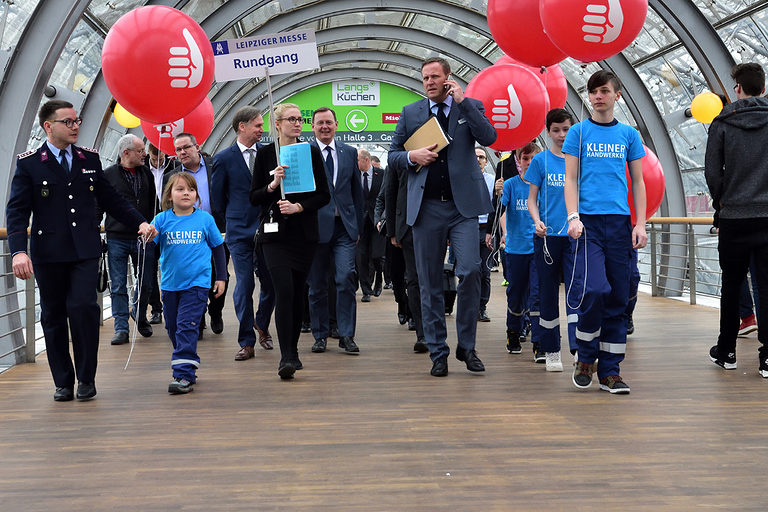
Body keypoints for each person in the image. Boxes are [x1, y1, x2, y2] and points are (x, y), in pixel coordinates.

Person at [6, 99, 155, 402]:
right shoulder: (30, 163)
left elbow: (111, 199)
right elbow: (17, 212)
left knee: (85, 310)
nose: (75, 126)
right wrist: (18, 252)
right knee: (53, 315)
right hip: (49, 254)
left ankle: (86, 378)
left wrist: (140, 222)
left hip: (85, 250)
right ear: (49, 127)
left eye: (77, 121)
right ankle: (63, 381)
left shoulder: (89, 159)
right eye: (68, 122)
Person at [388, 56, 496, 377]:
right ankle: (438, 351)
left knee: (472, 270)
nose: (430, 82)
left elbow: (489, 138)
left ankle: (467, 345)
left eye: (435, 76)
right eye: (425, 78)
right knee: (429, 280)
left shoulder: (469, 106)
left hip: (463, 208)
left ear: (449, 79)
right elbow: (393, 155)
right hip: (426, 208)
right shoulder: (411, 113)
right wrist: (412, 155)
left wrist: (464, 103)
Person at [564, 70, 647, 394]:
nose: (597, 96)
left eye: (603, 91)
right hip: (588, 224)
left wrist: (639, 223)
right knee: (595, 289)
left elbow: (638, 181)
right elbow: (570, 179)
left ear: (617, 95)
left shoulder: (629, 135)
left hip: (619, 223)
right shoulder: (578, 133)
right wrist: (573, 217)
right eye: (592, 92)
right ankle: (585, 357)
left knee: (617, 295)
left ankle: (610, 371)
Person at [249, 103, 330, 379]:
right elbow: (254, 197)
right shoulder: (265, 155)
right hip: (274, 236)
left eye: (300, 119)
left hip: (304, 233)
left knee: (297, 293)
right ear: (278, 123)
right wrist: (272, 185)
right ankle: (286, 356)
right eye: (291, 119)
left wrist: (299, 207)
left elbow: (323, 195)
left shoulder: (310, 151)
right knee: (283, 290)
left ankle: (293, 349)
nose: (297, 123)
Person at [705, 62, 768, 376]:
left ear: (737, 90)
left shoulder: (722, 123)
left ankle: (727, 350)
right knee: (767, 286)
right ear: (764, 88)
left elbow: (713, 174)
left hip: (733, 218)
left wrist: (721, 203)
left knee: (731, 284)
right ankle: (767, 357)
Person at [152, 172, 227, 394]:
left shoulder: (205, 219)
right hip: (170, 285)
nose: (186, 193)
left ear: (197, 195)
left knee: (187, 326)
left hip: (197, 285)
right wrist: (146, 235)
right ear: (169, 196)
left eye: (191, 189)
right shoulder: (162, 219)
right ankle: (187, 363)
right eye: (180, 189)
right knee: (173, 327)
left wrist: (220, 276)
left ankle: (183, 374)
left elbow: (218, 248)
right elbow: (150, 244)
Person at [211, 106, 276, 361]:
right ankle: (246, 341)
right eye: (258, 126)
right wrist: (229, 222)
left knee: (271, 283)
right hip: (238, 231)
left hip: (267, 227)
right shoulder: (224, 158)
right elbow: (218, 198)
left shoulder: (269, 155)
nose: (262, 130)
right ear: (242, 126)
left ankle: (261, 322)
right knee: (245, 284)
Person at [307, 107, 364, 354]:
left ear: (336, 124)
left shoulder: (349, 153)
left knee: (345, 279)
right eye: (320, 123)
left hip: (344, 229)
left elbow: (356, 193)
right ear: (313, 127)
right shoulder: (304, 153)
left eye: (328, 122)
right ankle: (319, 335)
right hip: (315, 228)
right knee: (317, 284)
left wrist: (358, 226)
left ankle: (346, 334)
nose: (324, 127)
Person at [526, 108, 577, 371]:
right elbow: (531, 198)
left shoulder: (579, 160)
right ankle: (552, 350)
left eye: (566, 129)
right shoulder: (540, 161)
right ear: (547, 132)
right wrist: (536, 221)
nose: (561, 135)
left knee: (576, 293)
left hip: (574, 237)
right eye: (556, 130)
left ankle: (578, 348)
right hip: (546, 239)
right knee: (547, 295)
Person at [167, 133, 228, 339]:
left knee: (219, 274)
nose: (182, 152)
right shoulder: (173, 175)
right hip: (188, 235)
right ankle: (197, 320)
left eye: (186, 147)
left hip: (218, 230)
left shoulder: (215, 165)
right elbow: (167, 206)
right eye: (178, 150)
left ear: (197, 146)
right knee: (195, 277)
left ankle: (216, 310)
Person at [102, 134, 157, 344]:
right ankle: (121, 328)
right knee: (117, 284)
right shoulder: (108, 175)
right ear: (126, 153)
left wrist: (153, 225)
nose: (145, 154)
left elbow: (153, 201)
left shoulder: (146, 173)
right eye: (141, 151)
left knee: (146, 283)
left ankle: (140, 315)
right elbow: (100, 203)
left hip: (144, 236)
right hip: (116, 236)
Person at [498, 142, 542, 362]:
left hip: (539, 249)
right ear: (518, 162)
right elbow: (500, 210)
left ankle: (539, 342)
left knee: (537, 296)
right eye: (525, 159)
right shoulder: (511, 185)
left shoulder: (544, 186)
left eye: (534, 158)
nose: (530, 163)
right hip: (516, 250)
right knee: (515, 296)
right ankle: (513, 333)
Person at [145, 143, 178, 325]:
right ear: (149, 154)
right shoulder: (143, 170)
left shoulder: (174, 168)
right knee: (149, 267)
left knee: (173, 264)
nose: (159, 162)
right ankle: (156, 308)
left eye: (162, 158)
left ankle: (175, 305)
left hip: (170, 223)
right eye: (155, 159)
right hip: (150, 224)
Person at [356, 149, 385, 301]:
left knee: (376, 255)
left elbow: (386, 196)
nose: (356, 163)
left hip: (377, 221)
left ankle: (379, 281)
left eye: (358, 160)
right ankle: (366, 290)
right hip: (360, 221)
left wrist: (383, 217)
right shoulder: (354, 175)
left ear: (366, 160)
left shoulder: (381, 174)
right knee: (361, 256)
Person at [476, 147, 495, 322]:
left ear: (486, 161)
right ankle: (470, 305)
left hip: (486, 229)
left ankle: (482, 307)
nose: (479, 160)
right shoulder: (463, 180)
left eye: (482, 157)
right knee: (468, 270)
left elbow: (496, 206)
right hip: (468, 228)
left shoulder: (493, 181)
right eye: (475, 157)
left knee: (485, 271)